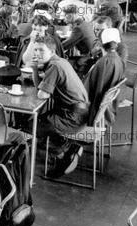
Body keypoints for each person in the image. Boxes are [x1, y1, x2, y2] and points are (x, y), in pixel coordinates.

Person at [31, 36, 90, 177]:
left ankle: (64, 153)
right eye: (35, 50)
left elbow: (42, 95)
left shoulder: (54, 66)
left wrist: (35, 71)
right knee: (40, 120)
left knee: (32, 128)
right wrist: (35, 69)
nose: (37, 53)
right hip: (78, 111)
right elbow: (42, 89)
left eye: (41, 50)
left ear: (52, 51)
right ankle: (65, 146)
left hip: (73, 117)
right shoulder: (59, 61)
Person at [83, 28, 126, 125]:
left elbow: (85, 90)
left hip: (92, 108)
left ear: (100, 43)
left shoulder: (103, 62)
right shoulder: (119, 60)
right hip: (107, 108)